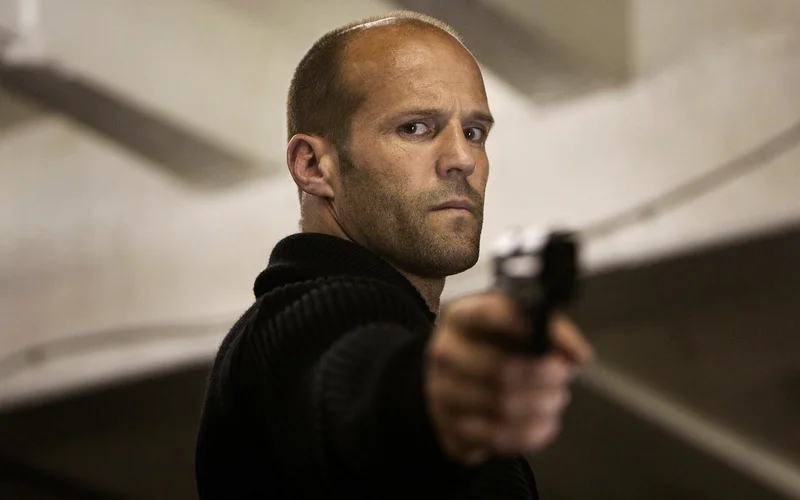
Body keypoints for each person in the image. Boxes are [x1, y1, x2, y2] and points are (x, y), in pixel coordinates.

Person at [195, 10, 594, 500]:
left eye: (474, 132)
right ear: (313, 165)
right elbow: (353, 387)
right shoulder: (296, 323)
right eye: (415, 128)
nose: (462, 159)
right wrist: (427, 397)